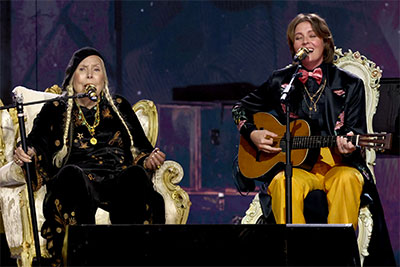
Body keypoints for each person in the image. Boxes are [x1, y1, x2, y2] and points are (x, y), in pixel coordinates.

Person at [232, 13, 395, 265]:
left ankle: (338, 259)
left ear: (324, 42)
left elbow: (354, 131)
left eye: (312, 36)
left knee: (347, 180)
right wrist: (253, 133)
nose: (305, 41)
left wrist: (348, 146)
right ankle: (295, 258)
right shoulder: (282, 81)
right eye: (298, 37)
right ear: (293, 47)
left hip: (338, 164)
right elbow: (239, 109)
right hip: (297, 168)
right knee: (283, 182)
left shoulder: (349, 84)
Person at [13, 47, 166, 266]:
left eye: (96, 70)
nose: (90, 75)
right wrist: (27, 150)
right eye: (83, 70)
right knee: (71, 176)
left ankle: (133, 258)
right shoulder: (55, 108)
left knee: (135, 176)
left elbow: (142, 148)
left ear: (104, 79)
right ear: (72, 78)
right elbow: (36, 141)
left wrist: (150, 159)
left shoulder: (119, 107)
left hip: (115, 180)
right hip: (78, 181)